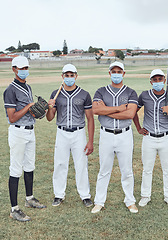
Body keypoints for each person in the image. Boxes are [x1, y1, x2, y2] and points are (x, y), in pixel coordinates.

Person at [91, 61, 139, 214]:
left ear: (124, 73)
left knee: (127, 170)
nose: (116, 74)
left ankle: (130, 201)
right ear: (109, 73)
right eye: (114, 71)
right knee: (104, 170)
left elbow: (130, 114)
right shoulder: (101, 91)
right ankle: (99, 202)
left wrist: (105, 110)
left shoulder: (131, 92)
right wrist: (118, 108)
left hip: (125, 134)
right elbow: (95, 110)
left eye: (119, 71)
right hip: (106, 133)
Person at [3, 56, 46, 222]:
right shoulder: (10, 90)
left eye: (26, 67)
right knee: (15, 169)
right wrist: (29, 107)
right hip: (18, 132)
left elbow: (31, 112)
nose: (24, 70)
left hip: (30, 131)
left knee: (30, 166)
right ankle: (14, 209)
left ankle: (30, 199)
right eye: (21, 68)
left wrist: (37, 110)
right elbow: (12, 117)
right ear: (14, 69)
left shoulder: (27, 87)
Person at [46, 64, 94, 208]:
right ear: (62, 77)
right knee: (60, 164)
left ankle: (85, 195)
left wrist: (90, 141)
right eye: (66, 75)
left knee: (81, 165)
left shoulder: (84, 94)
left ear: (76, 76)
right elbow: (49, 118)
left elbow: (90, 118)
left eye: (71, 75)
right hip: (61, 132)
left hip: (79, 132)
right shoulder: (56, 93)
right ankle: (59, 195)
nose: (69, 78)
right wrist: (49, 107)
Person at [133, 69, 168, 208]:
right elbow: (133, 111)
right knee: (147, 168)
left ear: (164, 80)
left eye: (160, 79)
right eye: (155, 79)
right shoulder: (144, 95)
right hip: (149, 137)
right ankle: (145, 195)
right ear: (151, 81)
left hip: (166, 137)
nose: (158, 82)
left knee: (167, 169)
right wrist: (138, 128)